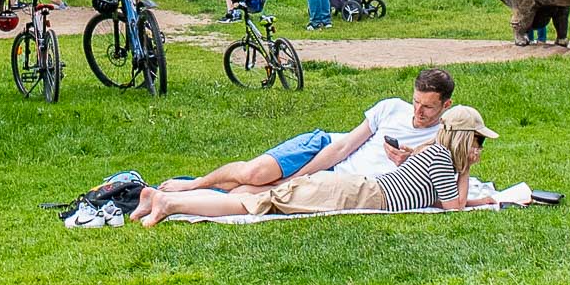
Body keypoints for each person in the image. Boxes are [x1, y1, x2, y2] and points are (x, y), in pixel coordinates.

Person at [135, 105, 497, 226]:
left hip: (354, 190)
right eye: (478, 142)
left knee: (258, 198)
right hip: (352, 192)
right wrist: (465, 170)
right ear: (463, 139)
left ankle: (164, 198)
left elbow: (443, 199)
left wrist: (481, 198)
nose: (480, 149)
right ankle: (171, 202)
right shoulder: (442, 159)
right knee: (255, 202)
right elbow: (453, 207)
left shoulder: (435, 157)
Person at [158, 69, 457, 192]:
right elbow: (343, 147)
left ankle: (187, 192)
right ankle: (194, 185)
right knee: (256, 175)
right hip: (323, 147)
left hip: (338, 179)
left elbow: (446, 166)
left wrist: (411, 159)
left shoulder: (447, 132)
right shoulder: (391, 108)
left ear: (446, 105)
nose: (418, 112)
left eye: (428, 107)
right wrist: (299, 176)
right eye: (416, 102)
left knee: (251, 193)